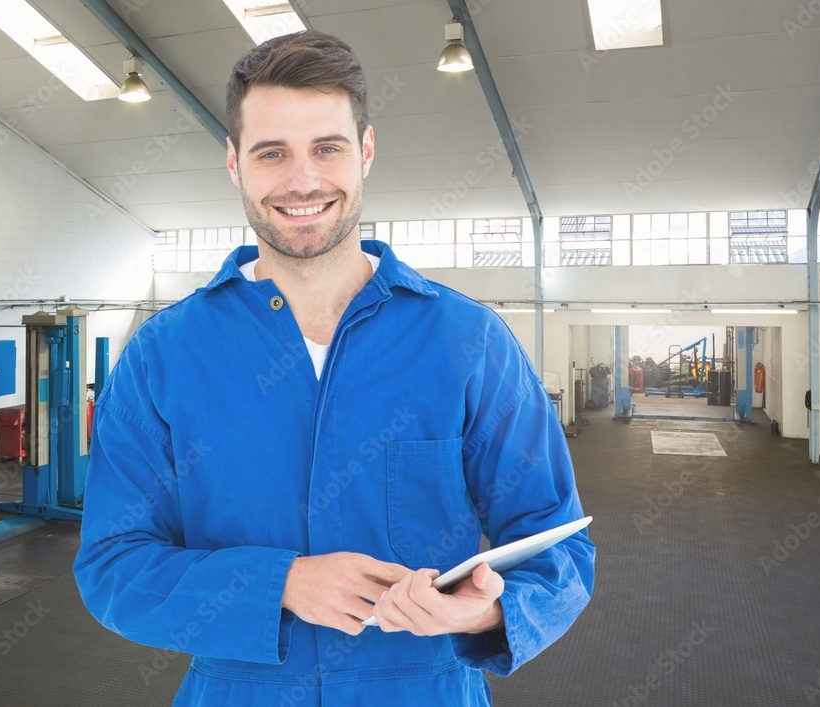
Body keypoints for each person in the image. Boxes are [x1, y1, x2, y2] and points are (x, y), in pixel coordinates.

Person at [73, 30, 595, 706]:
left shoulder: (469, 342)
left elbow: (560, 549)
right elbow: (113, 564)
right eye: (272, 153)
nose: (303, 180)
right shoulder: (162, 356)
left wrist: (485, 611)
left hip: (425, 687)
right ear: (234, 163)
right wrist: (280, 583)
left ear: (366, 151)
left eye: (327, 147)